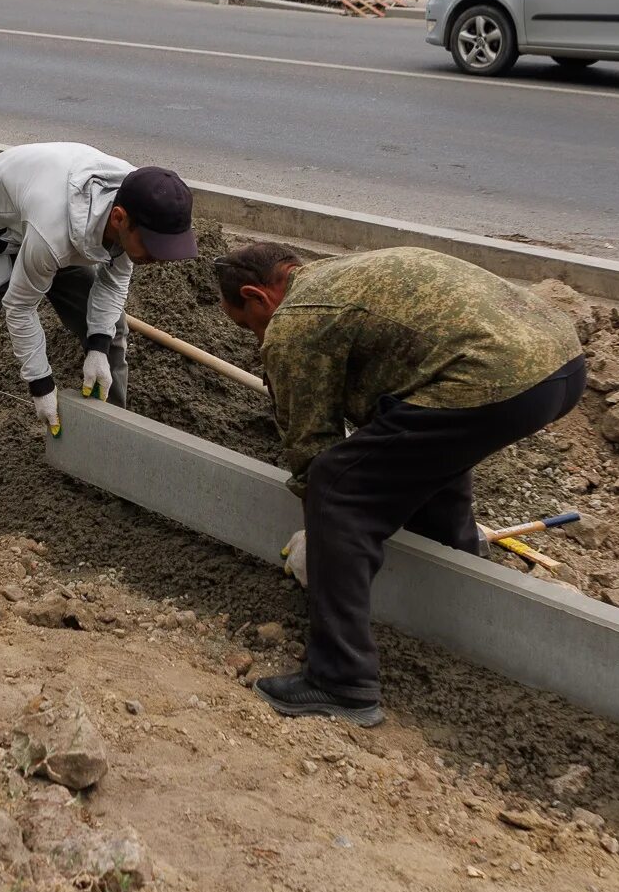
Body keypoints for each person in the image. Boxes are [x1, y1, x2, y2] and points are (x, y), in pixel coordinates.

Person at [216, 242, 586, 726]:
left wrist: (323, 537)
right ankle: (453, 584)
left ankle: (340, 680)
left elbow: (313, 449)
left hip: (498, 375)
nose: (257, 338)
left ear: (257, 296)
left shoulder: (294, 322)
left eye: (249, 325)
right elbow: (390, 413)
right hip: (560, 361)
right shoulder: (340, 278)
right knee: (423, 457)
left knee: (336, 484)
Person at [0, 142, 198, 537]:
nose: (156, 259)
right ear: (120, 219)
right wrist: (41, 384)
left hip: (60, 240)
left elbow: (115, 280)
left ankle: (110, 459)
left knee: (114, 334)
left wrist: (98, 347)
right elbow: (19, 306)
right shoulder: (57, 226)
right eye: (153, 249)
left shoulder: (138, 197)